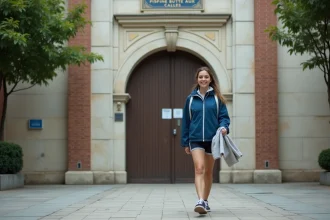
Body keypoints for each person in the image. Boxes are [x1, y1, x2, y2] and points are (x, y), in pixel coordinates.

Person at [181, 66, 230, 214]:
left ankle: (205, 201)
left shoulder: (217, 98)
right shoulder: (190, 99)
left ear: (210, 79)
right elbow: (186, 121)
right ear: (197, 79)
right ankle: (200, 200)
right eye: (201, 77)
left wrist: (224, 127)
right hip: (195, 139)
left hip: (212, 139)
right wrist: (185, 142)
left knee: (208, 172)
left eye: (206, 77)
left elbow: (224, 117)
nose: (203, 79)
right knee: (199, 169)